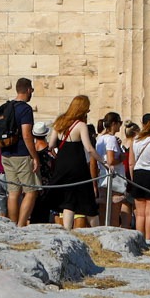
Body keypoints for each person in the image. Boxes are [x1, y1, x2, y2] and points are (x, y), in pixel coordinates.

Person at [0, 78, 39, 226]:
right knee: (31, 191)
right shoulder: (25, 109)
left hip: (6, 153)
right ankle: (21, 225)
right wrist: (35, 156)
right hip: (21, 154)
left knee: (13, 192)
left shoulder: (5, 107)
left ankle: (13, 225)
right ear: (28, 90)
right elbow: (26, 134)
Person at [43, 96, 96, 225]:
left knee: (68, 200)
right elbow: (89, 148)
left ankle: (67, 230)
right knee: (88, 199)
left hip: (62, 164)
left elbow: (51, 145)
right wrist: (104, 163)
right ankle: (97, 230)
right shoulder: (81, 125)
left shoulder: (59, 122)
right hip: (77, 165)